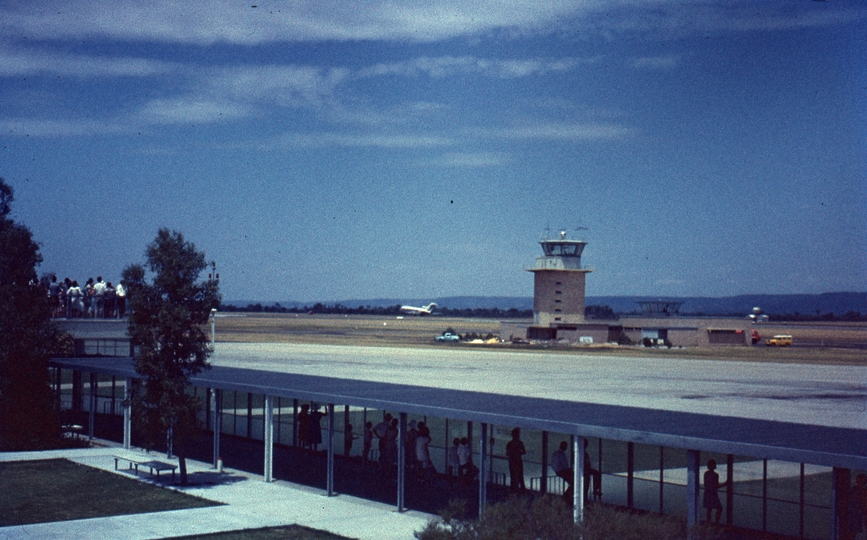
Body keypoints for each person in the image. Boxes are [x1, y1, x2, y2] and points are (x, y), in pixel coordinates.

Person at [703, 459, 729, 523]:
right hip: (713, 494)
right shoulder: (715, 475)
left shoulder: (706, 473)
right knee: (719, 508)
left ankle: (708, 522)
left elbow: (705, 484)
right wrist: (725, 484)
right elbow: (716, 486)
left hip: (707, 493)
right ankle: (716, 522)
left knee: (709, 509)